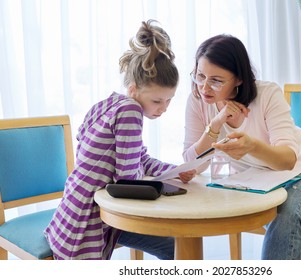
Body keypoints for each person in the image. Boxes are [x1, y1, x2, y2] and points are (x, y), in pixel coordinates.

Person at [44, 20, 196, 260]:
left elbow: (138, 159)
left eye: (169, 100)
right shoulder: (130, 112)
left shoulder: (108, 104)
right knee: (175, 248)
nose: (163, 109)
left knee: (170, 245)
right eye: (157, 101)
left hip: (70, 213)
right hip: (89, 222)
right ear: (134, 89)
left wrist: (174, 170)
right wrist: (155, 179)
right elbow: (127, 179)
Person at [183, 34, 301, 260]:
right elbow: (191, 166)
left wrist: (252, 146)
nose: (205, 87)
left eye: (216, 80)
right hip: (261, 179)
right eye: (200, 75)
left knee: (283, 215)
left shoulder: (267, 94)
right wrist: (215, 124)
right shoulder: (198, 100)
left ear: (238, 79)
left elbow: (288, 160)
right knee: (294, 234)